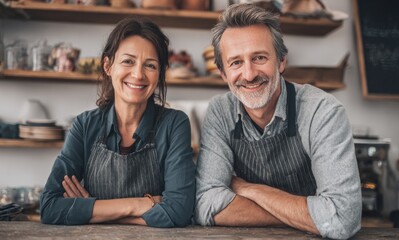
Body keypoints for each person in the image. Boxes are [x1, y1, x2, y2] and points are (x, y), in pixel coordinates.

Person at [195, 3, 361, 239]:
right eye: (236, 63)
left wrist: (250, 189)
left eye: (259, 57)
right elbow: (205, 203)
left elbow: (342, 218)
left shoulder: (323, 111)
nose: (249, 74)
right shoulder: (220, 112)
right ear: (223, 74)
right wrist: (307, 216)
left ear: (281, 62)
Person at [40, 17, 196, 227]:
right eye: (128, 61)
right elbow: (50, 208)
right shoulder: (84, 125)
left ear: (159, 75)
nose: (138, 74)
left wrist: (90, 210)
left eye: (150, 65)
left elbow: (178, 212)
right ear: (108, 66)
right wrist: (139, 204)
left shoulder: (174, 124)